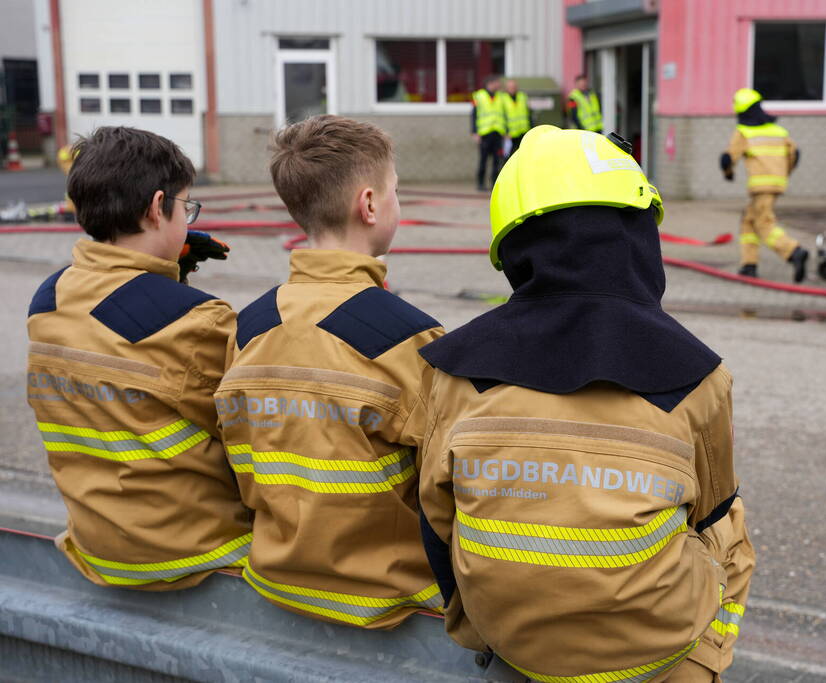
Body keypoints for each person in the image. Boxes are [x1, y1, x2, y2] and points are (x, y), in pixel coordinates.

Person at [417, 126, 755, 682]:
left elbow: (437, 520)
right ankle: (705, 661)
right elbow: (711, 512)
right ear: (640, 236)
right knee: (728, 518)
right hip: (657, 653)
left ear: (514, 248)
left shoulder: (455, 371)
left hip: (508, 639)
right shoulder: (699, 376)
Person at [214, 115, 445, 629]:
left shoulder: (249, 326)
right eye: (394, 192)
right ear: (368, 205)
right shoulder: (411, 338)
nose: (395, 204)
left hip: (278, 583)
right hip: (391, 599)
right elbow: (446, 488)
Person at [25, 126, 252, 590]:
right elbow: (252, 437)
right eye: (185, 207)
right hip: (197, 556)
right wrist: (174, 291)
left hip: (99, 549)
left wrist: (168, 276)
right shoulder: (199, 323)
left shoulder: (48, 301)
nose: (188, 220)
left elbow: (127, 342)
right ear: (155, 208)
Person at [720, 88, 808, 282]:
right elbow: (795, 154)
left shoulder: (744, 132)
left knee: (763, 223)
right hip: (777, 184)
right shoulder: (779, 131)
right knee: (748, 221)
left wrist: (728, 174)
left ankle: (794, 252)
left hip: (760, 187)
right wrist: (784, 174)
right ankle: (749, 265)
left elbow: (727, 158)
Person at [471, 75, 506, 191]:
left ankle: (494, 184)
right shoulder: (479, 96)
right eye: (497, 83)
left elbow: (505, 115)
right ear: (490, 84)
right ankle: (480, 184)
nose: (499, 85)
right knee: (483, 160)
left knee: (497, 160)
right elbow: (474, 115)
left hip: (498, 132)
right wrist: (474, 132)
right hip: (484, 133)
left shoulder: (501, 97)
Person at [498, 79, 532, 155]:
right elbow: (500, 117)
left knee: (523, 154)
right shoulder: (502, 98)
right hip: (510, 133)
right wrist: (505, 132)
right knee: (509, 156)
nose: (512, 89)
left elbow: (528, 113)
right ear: (506, 88)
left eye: (514, 87)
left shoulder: (522, 96)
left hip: (523, 131)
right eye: (510, 87)